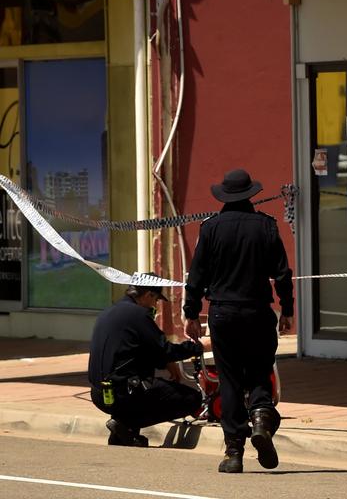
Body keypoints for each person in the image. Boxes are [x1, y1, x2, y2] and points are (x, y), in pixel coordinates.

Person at [184, 168, 294, 474]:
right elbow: (283, 275)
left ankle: (233, 452)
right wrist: (287, 310)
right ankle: (261, 418)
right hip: (257, 310)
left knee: (229, 379)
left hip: (222, 313)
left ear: (224, 196)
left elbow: (196, 277)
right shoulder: (267, 227)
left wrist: (191, 313)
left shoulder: (211, 228)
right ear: (250, 195)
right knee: (260, 370)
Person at [87, 275, 203, 448]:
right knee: (192, 398)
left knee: (145, 387)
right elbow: (166, 350)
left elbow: (143, 351)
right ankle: (125, 424)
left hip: (99, 393)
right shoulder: (138, 315)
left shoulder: (110, 311)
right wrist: (198, 347)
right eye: (155, 300)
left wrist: (167, 363)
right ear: (149, 294)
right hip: (123, 393)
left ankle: (124, 433)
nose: (155, 306)